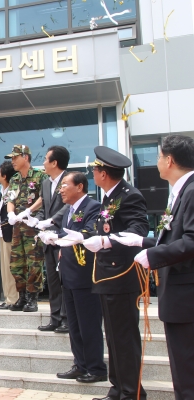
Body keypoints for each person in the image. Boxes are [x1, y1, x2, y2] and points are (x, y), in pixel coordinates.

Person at [111, 135, 194, 399]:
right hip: (179, 296)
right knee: (183, 370)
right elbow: (176, 236)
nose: (157, 162)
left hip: (186, 298)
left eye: (159, 156)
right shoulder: (181, 190)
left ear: (169, 160)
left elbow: (191, 240)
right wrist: (144, 241)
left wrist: (154, 255)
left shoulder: (191, 191)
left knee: (187, 371)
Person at [63, 146, 148, 400]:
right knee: (113, 339)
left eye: (96, 170)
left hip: (121, 276)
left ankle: (132, 393)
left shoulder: (129, 195)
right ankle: (118, 389)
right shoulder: (110, 198)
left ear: (103, 173)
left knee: (124, 339)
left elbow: (138, 230)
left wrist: (107, 241)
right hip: (106, 278)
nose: (94, 175)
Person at [43, 173, 107, 383]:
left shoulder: (93, 207)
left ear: (79, 187)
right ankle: (80, 364)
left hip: (85, 275)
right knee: (74, 325)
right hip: (69, 275)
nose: (61, 190)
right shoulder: (70, 210)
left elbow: (89, 233)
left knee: (89, 324)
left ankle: (96, 368)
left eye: (65, 185)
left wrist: (60, 237)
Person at [5, 145, 48, 312]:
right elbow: (10, 199)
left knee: (34, 263)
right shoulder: (15, 179)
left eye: (15, 157)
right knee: (16, 263)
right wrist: (10, 214)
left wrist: (28, 211)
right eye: (12, 158)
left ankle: (32, 298)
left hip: (33, 227)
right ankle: (21, 296)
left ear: (26, 157)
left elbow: (44, 198)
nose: (12, 161)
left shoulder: (39, 176)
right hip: (17, 228)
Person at [32, 146, 70, 332]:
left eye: (46, 159)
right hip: (48, 240)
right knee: (53, 281)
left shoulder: (70, 180)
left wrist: (51, 221)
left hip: (63, 238)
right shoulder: (46, 183)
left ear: (55, 162)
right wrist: (37, 220)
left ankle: (66, 319)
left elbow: (69, 207)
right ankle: (54, 318)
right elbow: (43, 208)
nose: (44, 163)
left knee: (65, 281)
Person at [0, 161, 18, 310]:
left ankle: (13, 299)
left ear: (5, 175)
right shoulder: (2, 192)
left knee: (10, 268)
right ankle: (8, 298)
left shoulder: (12, 192)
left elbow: (12, 214)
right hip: (2, 234)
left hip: (9, 233)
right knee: (4, 268)